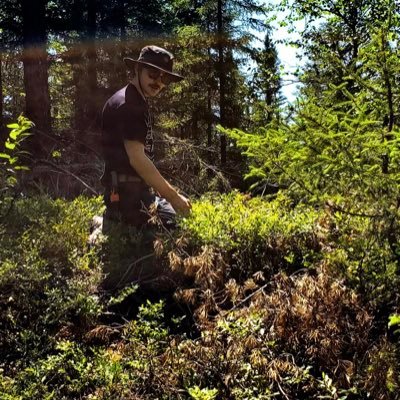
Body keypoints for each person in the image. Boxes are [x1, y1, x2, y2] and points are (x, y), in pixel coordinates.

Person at [101, 45, 192, 230]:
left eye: (164, 77)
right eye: (152, 74)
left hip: (130, 194)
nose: (158, 81)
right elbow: (137, 159)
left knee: (182, 214)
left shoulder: (130, 99)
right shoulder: (130, 105)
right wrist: (173, 197)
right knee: (182, 227)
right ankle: (110, 225)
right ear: (137, 69)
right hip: (128, 200)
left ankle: (110, 221)